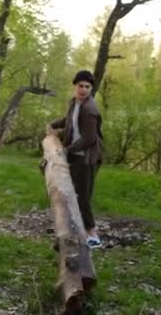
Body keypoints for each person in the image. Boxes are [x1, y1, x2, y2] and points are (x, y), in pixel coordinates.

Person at [49, 69, 103, 248]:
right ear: (75, 86)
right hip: (75, 154)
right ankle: (72, 227)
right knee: (70, 191)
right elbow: (70, 119)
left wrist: (67, 150)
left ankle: (91, 232)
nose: (84, 89)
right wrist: (53, 125)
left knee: (83, 196)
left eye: (88, 87)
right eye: (81, 86)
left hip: (86, 158)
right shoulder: (75, 102)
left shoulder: (89, 109)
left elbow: (89, 139)